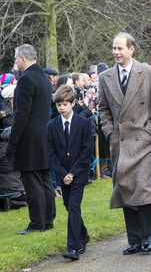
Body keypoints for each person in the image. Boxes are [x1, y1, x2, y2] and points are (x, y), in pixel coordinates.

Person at [98, 32, 151, 255]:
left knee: (144, 190)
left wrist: (150, 133)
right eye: (114, 48)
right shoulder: (106, 77)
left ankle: (147, 236)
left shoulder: (150, 73)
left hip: (144, 143)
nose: (116, 52)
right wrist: (110, 133)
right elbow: (103, 109)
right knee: (126, 190)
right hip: (121, 142)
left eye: (120, 48)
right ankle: (134, 240)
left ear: (131, 49)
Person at [6, 44, 56, 235]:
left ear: (23, 59)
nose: (15, 63)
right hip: (43, 136)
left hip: (29, 139)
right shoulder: (43, 77)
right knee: (44, 180)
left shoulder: (26, 80)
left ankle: (37, 223)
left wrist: (12, 144)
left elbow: (21, 116)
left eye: (16, 59)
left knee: (32, 182)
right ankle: (48, 219)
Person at [47, 85, 93, 261]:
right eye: (59, 104)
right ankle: (83, 234)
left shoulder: (83, 123)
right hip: (62, 174)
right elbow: (50, 154)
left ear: (73, 103)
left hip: (79, 173)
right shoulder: (52, 126)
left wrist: (73, 173)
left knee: (74, 207)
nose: (62, 108)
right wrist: (62, 173)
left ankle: (73, 246)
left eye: (65, 104)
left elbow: (86, 151)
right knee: (68, 205)